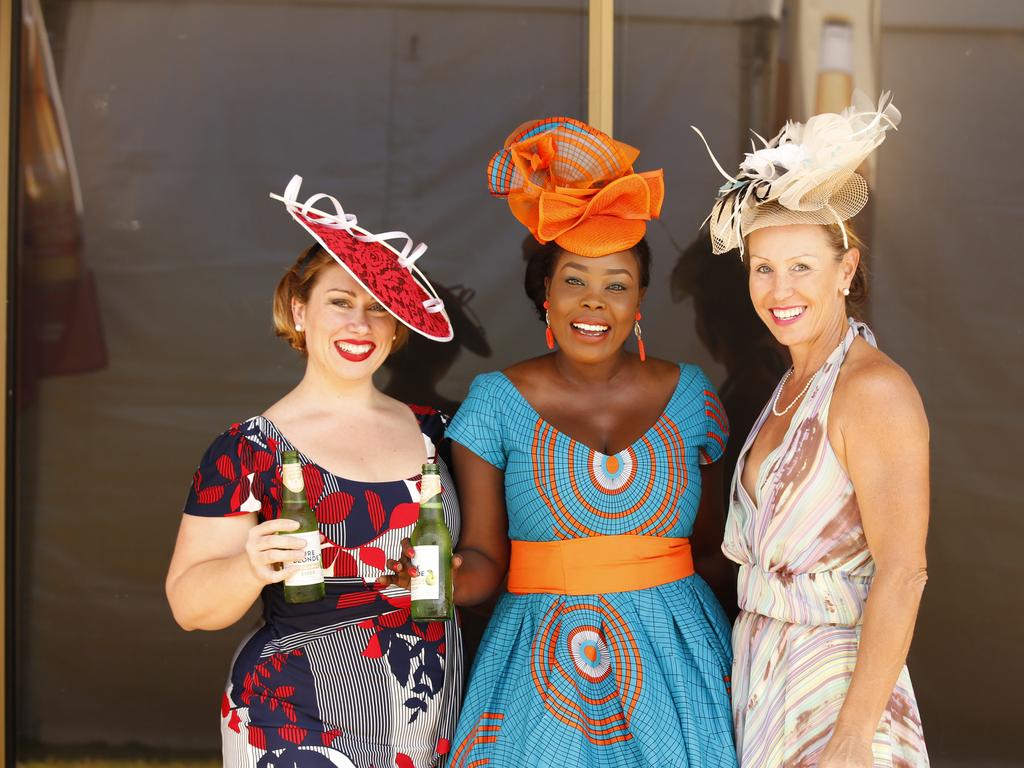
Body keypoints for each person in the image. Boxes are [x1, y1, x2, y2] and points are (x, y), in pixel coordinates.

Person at [386, 117, 737, 766]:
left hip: (679, 660)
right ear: (544, 293)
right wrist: (436, 577)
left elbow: (713, 552)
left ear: (639, 304)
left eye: (616, 285)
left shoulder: (693, 398)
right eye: (574, 280)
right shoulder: (494, 404)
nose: (593, 304)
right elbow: (484, 559)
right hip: (540, 664)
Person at [166, 176, 462, 768]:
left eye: (379, 309)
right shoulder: (248, 448)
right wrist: (250, 565)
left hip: (428, 714)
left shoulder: (442, 433)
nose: (361, 324)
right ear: (300, 311)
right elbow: (190, 607)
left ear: (398, 328)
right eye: (340, 301)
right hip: (295, 717)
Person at [695, 93, 930, 767]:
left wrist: (853, 738)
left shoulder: (872, 388)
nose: (780, 289)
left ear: (845, 271)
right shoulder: (790, 385)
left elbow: (904, 571)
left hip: (837, 689)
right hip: (766, 673)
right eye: (763, 268)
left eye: (802, 266)